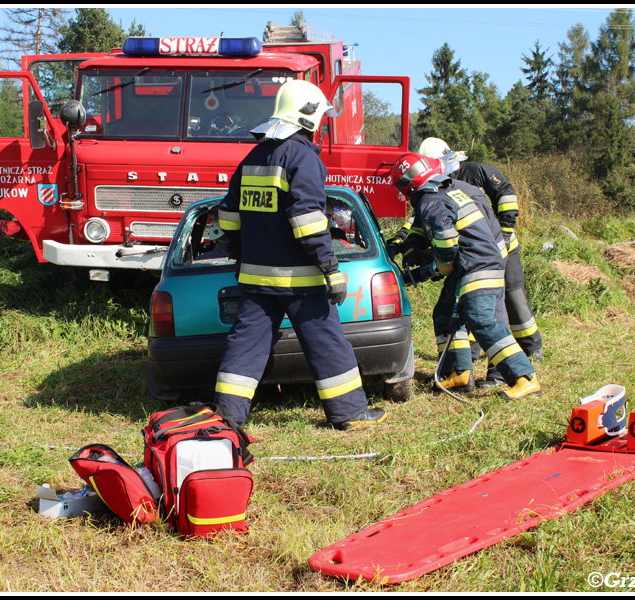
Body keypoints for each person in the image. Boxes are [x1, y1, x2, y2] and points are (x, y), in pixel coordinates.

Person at [214, 80, 387, 430]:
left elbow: (228, 215)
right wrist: (329, 266)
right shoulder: (302, 157)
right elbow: (307, 220)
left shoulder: (254, 157)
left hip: (256, 279)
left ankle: (226, 421)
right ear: (308, 115)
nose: (322, 123)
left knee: (245, 347)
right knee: (326, 342)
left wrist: (239, 255)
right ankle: (350, 413)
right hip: (301, 279)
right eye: (321, 116)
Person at [391, 152, 541, 401]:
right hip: (477, 260)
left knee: (480, 319)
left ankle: (524, 377)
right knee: (444, 312)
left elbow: (448, 248)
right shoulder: (445, 190)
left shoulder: (429, 201)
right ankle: (459, 372)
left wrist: (427, 271)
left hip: (477, 265)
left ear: (407, 186)